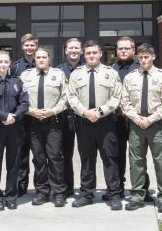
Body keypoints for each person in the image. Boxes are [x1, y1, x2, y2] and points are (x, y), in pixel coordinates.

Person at [67, 40, 124, 210]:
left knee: (110, 159)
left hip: (106, 123)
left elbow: (116, 97)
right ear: (84, 55)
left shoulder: (111, 73)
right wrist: (85, 112)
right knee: (86, 160)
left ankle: (114, 194)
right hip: (84, 122)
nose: (91, 55)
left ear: (100, 53)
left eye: (94, 52)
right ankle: (86, 194)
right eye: (88, 53)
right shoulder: (76, 74)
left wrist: (100, 112)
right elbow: (71, 97)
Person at [120, 43, 162, 213]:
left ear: (153, 57)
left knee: (161, 161)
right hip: (136, 125)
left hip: (156, 124)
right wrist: (136, 118)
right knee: (136, 161)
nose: (143, 60)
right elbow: (125, 102)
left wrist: (150, 119)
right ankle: (137, 195)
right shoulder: (130, 77)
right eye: (141, 57)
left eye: (146, 57)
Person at [0, 50, 30, 210]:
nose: (3, 64)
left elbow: (24, 103)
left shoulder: (18, 82)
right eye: (0, 61)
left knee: (13, 163)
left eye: (6, 61)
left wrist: (14, 116)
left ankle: (11, 196)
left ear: (10, 63)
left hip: (15, 127)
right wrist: (3, 116)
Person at [20, 48, 68, 207]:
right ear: (34, 59)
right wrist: (30, 111)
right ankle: (42, 192)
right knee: (39, 158)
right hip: (32, 122)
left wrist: (52, 111)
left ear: (49, 59)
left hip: (53, 122)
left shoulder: (59, 74)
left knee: (55, 157)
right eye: (38, 57)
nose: (41, 60)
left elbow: (65, 98)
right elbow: (19, 98)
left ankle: (59, 192)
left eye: (44, 57)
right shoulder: (25, 76)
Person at [110, 36, 147, 201]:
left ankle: (141, 190)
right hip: (115, 120)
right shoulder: (110, 69)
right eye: (120, 48)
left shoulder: (142, 67)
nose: (123, 51)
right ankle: (117, 189)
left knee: (138, 156)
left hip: (135, 120)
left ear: (134, 50)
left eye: (127, 48)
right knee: (116, 155)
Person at [55, 37, 84, 197]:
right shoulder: (58, 71)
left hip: (84, 117)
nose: (73, 51)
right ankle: (67, 187)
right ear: (65, 51)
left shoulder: (88, 68)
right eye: (70, 48)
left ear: (81, 51)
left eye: (76, 48)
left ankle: (88, 189)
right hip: (65, 118)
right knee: (65, 154)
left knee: (87, 154)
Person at [10, 33, 38, 197]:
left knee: (39, 154)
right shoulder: (15, 67)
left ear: (36, 45)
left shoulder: (42, 62)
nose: (29, 48)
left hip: (38, 117)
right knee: (21, 154)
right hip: (21, 118)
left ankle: (41, 186)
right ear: (22, 47)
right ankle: (21, 186)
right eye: (27, 45)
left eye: (32, 45)